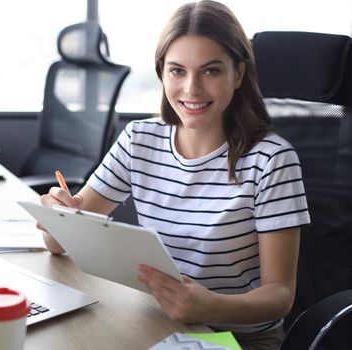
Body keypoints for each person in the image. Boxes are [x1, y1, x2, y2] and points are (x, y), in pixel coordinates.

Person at [39, 1, 310, 349]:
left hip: (236, 339)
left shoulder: (272, 160)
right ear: (162, 73)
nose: (192, 89)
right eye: (177, 71)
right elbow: (59, 243)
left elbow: (281, 295)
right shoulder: (140, 139)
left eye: (210, 71)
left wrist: (212, 304)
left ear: (238, 73)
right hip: (155, 323)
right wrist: (57, 216)